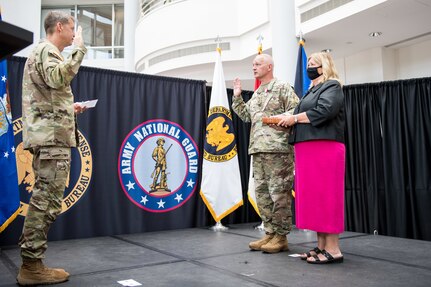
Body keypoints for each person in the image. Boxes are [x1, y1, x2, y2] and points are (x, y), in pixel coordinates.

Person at [18, 11, 87, 285]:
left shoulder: (42, 52)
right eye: (72, 29)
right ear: (60, 27)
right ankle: (31, 266)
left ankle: (32, 262)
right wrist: (79, 50)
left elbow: (46, 95)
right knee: (46, 201)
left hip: (49, 135)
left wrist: (69, 109)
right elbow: (59, 78)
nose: (74, 34)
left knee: (45, 198)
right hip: (51, 140)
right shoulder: (47, 50)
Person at [275, 51, 345, 264]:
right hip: (307, 148)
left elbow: (325, 110)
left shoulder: (332, 86)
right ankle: (321, 246)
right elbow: (303, 115)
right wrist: (287, 119)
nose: (310, 66)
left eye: (314, 63)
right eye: (309, 63)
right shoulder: (310, 91)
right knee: (314, 198)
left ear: (325, 66)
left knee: (326, 196)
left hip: (324, 147)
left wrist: (294, 117)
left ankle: (333, 249)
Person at [232, 54, 299, 253]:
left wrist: (281, 119)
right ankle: (270, 232)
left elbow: (295, 110)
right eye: (252, 64)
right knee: (262, 194)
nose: (254, 67)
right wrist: (237, 96)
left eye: (258, 64)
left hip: (278, 150)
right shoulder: (258, 92)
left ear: (269, 66)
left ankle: (281, 236)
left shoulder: (282, 87)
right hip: (258, 149)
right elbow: (246, 116)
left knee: (279, 194)